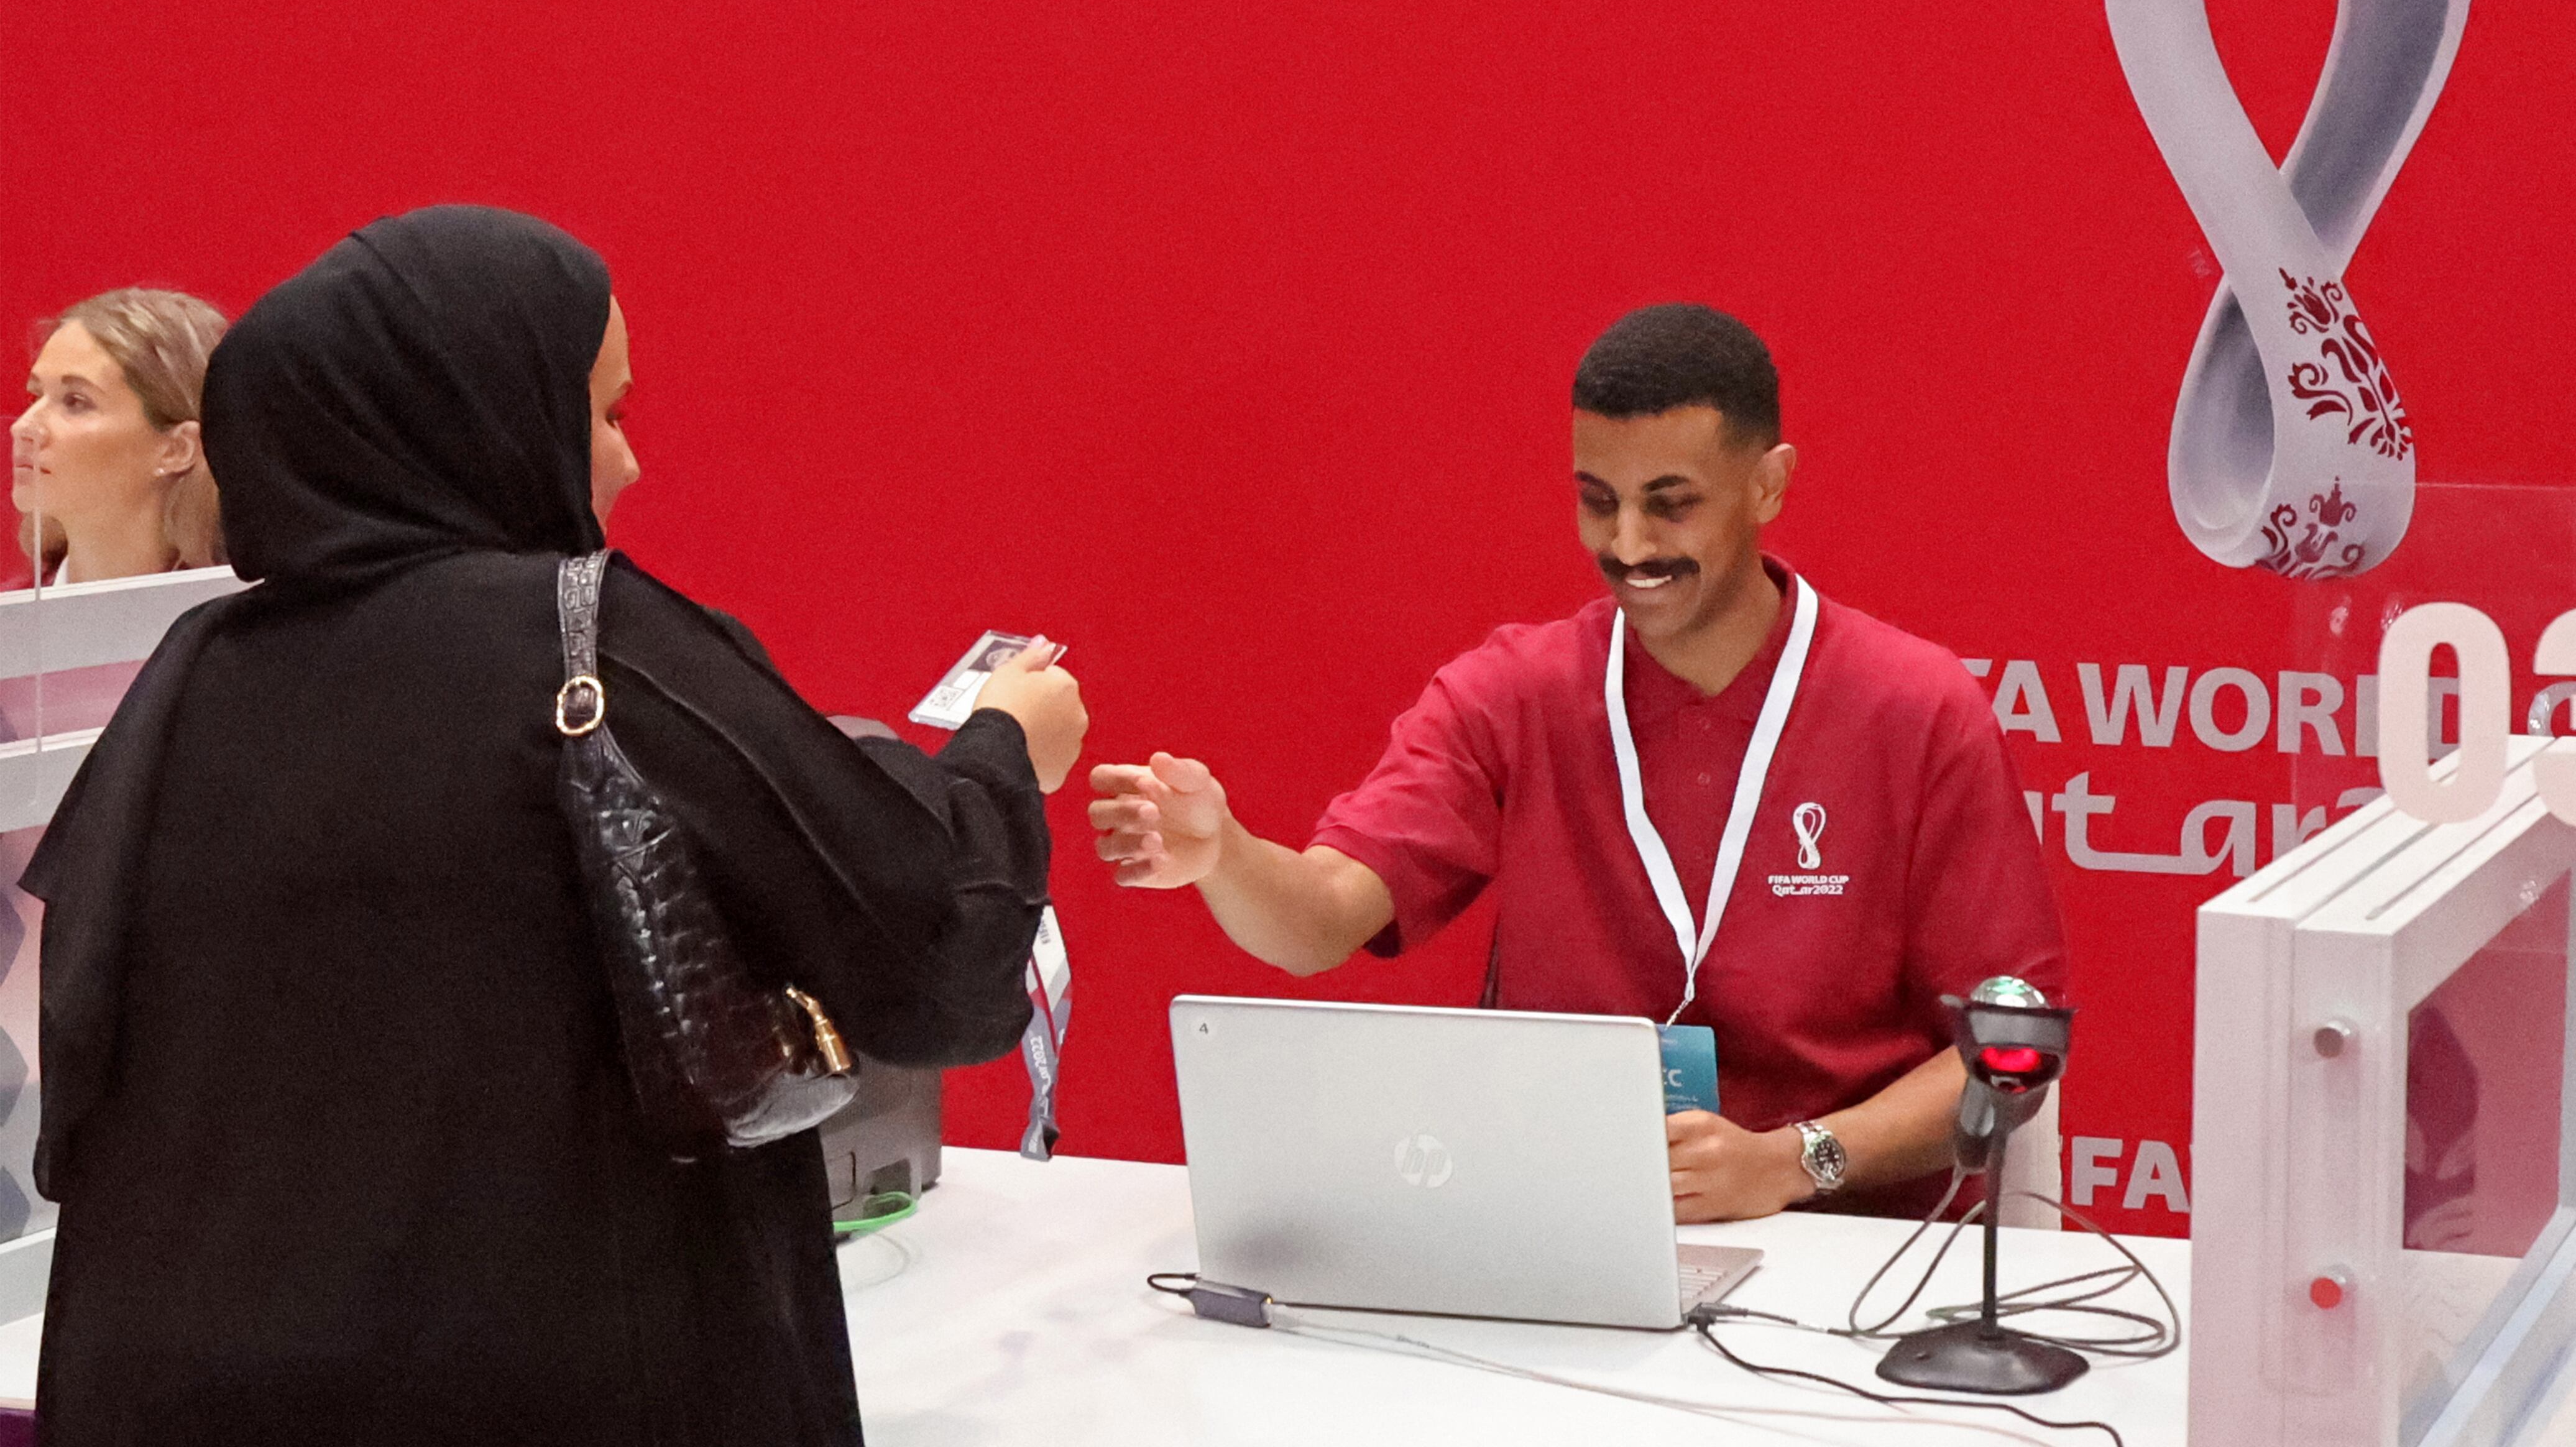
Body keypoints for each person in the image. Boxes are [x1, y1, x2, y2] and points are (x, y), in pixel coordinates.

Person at [22, 206, 1087, 1446]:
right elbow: (936, 964)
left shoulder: (188, 680)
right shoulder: (594, 644)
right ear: (488, 413)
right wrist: (1002, 753)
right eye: (607, 414)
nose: (627, 464)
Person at [1092, 303, 2066, 1223]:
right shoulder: (1515, 693)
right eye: (1598, 502)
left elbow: (2010, 1047)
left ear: (1768, 484)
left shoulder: (1915, 708)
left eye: (1670, 505)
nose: (1629, 544)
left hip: (1848, 1249)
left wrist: (1795, 1161)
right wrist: (1223, 855)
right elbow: (1318, 922)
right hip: (1554, 1222)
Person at [12, 287, 229, 584]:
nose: (24, 427)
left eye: (76, 401)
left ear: (177, 449)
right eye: (35, 396)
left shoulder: (251, 626)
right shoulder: (11, 620)